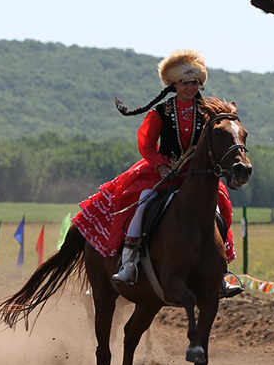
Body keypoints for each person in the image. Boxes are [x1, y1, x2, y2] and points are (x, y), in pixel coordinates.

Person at [73, 50, 241, 296]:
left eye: (195, 82)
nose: (190, 87)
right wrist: (161, 164)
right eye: (185, 82)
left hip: (198, 175)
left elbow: (226, 131)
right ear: (173, 84)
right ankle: (129, 261)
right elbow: (146, 145)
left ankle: (220, 269)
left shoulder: (208, 112)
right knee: (142, 203)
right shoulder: (161, 112)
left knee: (221, 207)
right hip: (163, 172)